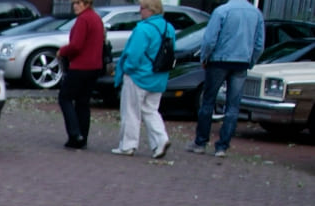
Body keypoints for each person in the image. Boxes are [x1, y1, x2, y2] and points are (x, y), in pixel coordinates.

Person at [187, 0, 264, 156]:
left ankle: (201, 142)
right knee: (233, 106)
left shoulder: (222, 11)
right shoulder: (256, 14)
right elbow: (259, 43)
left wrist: (204, 57)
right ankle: (222, 146)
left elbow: (210, 39)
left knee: (208, 101)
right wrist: (251, 61)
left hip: (219, 60)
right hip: (242, 61)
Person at [111, 0, 174, 158]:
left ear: (150, 10)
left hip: (139, 76)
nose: (140, 11)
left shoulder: (143, 29)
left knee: (131, 111)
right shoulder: (169, 28)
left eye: (142, 8)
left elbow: (134, 54)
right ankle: (161, 140)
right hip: (159, 77)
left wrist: (126, 69)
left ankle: (128, 145)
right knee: (151, 110)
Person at [56, 0, 104, 149]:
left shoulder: (83, 19)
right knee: (83, 102)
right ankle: (83, 137)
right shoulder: (96, 18)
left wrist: (62, 51)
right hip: (94, 66)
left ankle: (75, 134)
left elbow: (76, 45)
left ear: (87, 3)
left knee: (65, 97)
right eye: (74, 3)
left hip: (81, 66)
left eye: (78, 2)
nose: (75, 6)